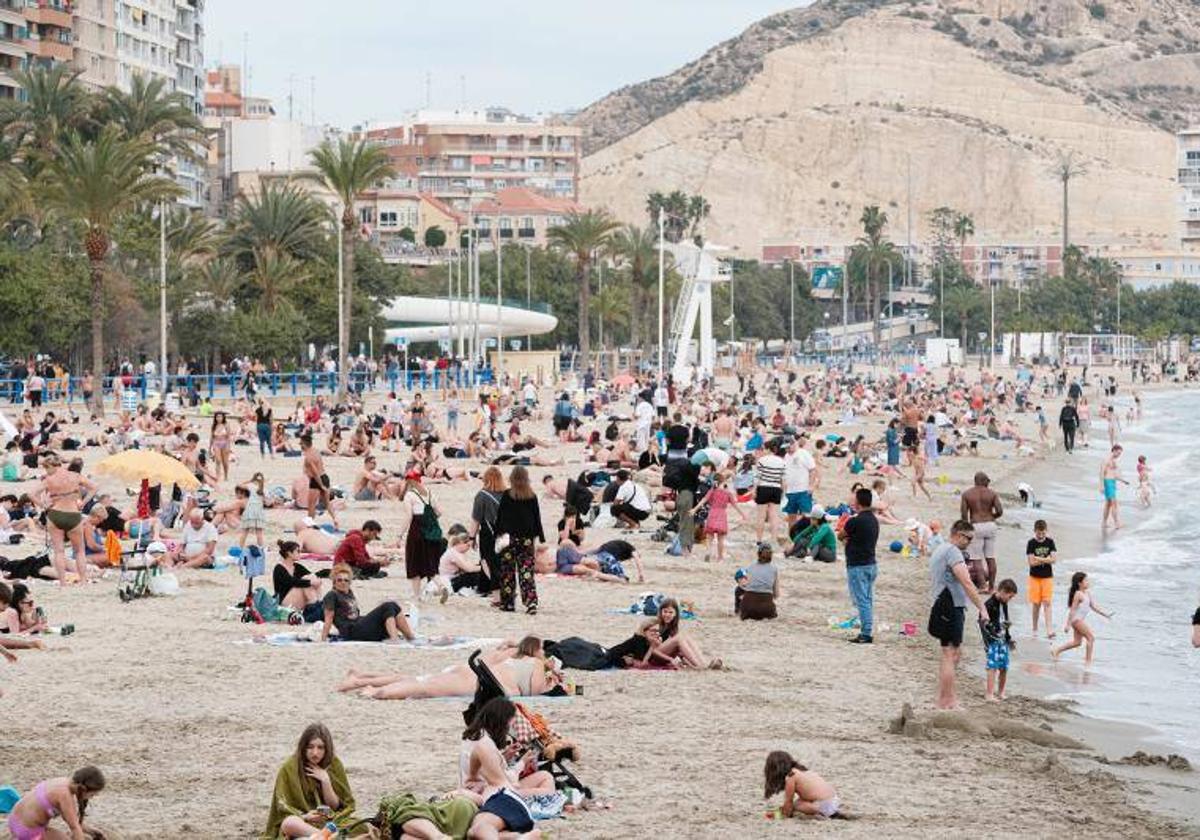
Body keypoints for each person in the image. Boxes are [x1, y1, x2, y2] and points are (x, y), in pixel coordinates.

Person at [344, 636, 562, 700]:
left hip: (471, 671)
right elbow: (535, 690)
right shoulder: (534, 663)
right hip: (478, 678)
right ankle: (374, 690)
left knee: (418, 681)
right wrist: (551, 679)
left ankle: (362, 680)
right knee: (423, 687)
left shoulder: (514, 655)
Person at [927, 520, 989, 710]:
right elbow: (967, 582)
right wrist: (982, 607)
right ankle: (948, 701)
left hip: (943, 604)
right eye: (968, 538)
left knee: (952, 654)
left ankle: (945, 698)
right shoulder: (952, 551)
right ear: (958, 535)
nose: (970, 542)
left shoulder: (941, 549)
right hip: (949, 605)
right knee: (950, 653)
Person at [462, 699, 542, 839]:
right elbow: (503, 778)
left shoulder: (476, 740)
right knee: (475, 831)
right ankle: (518, 837)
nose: (511, 726)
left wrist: (471, 778)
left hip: (503, 800)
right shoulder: (484, 744)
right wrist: (520, 763)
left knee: (478, 829)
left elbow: (484, 767)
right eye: (510, 721)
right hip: (510, 801)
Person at [263, 723, 356, 839]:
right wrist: (305, 816)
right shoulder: (289, 768)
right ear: (303, 747)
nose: (315, 753)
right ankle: (327, 836)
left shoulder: (334, 764)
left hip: (331, 821)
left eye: (320, 747)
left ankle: (324, 836)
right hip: (303, 823)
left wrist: (325, 780)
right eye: (310, 747)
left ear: (327, 748)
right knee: (289, 823)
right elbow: (282, 808)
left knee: (363, 826)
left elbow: (336, 806)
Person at [37, 453, 96, 584]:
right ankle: (83, 580)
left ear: (50, 466)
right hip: (73, 513)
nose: (47, 472)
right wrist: (83, 502)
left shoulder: (49, 479)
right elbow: (93, 487)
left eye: (47, 469)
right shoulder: (75, 476)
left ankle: (63, 582)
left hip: (56, 513)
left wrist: (44, 505)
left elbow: (31, 494)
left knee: (59, 551)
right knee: (79, 551)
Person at [493, 466, 545, 615]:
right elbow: (537, 518)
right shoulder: (532, 496)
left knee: (507, 572)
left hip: (509, 539)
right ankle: (531, 602)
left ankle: (508, 603)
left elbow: (500, 518)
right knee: (526, 572)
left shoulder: (507, 495)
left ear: (512, 479)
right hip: (527, 540)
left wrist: (497, 534)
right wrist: (539, 536)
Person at [320, 564, 414, 643]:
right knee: (388, 606)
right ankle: (394, 640)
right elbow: (329, 618)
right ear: (334, 582)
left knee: (394, 607)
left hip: (359, 624)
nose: (343, 583)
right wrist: (323, 640)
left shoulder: (348, 592)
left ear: (350, 582)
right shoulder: (332, 595)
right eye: (339, 580)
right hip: (351, 631)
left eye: (346, 580)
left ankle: (410, 638)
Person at [6, 766, 106, 840]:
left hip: (14, 821)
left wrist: (92, 831)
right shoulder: (64, 796)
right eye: (92, 795)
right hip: (27, 831)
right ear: (83, 789)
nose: (91, 798)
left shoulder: (62, 781)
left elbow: (73, 820)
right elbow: (74, 827)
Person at [839, 487, 878, 644]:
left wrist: (846, 541)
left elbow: (841, 535)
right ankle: (867, 628)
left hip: (857, 565)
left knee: (861, 599)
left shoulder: (855, 521)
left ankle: (866, 632)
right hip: (871, 563)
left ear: (858, 502)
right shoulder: (873, 520)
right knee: (867, 599)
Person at [638, 598, 721, 669]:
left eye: (670, 612)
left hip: (663, 656)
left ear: (675, 614)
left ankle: (704, 664)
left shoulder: (672, 627)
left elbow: (678, 651)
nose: (667, 615)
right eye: (665, 612)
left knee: (686, 637)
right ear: (660, 612)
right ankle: (701, 667)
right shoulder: (656, 625)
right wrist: (670, 659)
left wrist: (687, 663)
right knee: (679, 638)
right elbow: (651, 651)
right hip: (651, 658)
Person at [399, 474, 446, 600]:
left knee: (414, 562)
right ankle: (441, 586)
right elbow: (439, 512)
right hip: (432, 533)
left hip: (417, 532)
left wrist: (400, 535)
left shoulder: (410, 495)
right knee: (430, 563)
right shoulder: (429, 493)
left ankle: (416, 595)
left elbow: (409, 516)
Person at [763, 751, 845, 819]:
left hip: (825, 804)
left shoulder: (791, 777)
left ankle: (821, 813)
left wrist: (780, 813)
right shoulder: (802, 770)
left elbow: (788, 802)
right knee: (800, 800)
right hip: (834, 800)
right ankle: (829, 811)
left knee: (797, 804)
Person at [1052, 572, 1112, 665]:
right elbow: (1072, 610)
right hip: (1076, 620)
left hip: (1078, 620)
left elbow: (1093, 606)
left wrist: (1105, 614)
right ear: (1080, 583)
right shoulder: (1078, 594)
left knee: (1077, 642)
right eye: (1086, 580)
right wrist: (1067, 624)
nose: (1088, 582)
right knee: (1091, 638)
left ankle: (1057, 650)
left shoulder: (1087, 593)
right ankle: (1088, 661)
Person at [960, 471, 1003, 593]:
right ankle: (991, 587)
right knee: (990, 557)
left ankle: (983, 586)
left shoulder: (967, 494)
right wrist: (991, 517)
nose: (988, 484)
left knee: (976, 558)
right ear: (983, 481)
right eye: (987, 482)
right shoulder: (992, 493)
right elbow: (1000, 511)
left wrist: (967, 529)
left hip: (976, 525)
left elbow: (964, 515)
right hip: (990, 525)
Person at [692, 472, 746, 562]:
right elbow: (735, 505)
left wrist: (694, 509)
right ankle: (720, 557)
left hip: (712, 513)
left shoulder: (712, 491)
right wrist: (743, 514)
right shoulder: (727, 493)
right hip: (721, 515)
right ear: (723, 481)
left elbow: (704, 500)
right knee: (721, 539)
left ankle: (708, 552)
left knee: (709, 537)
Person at [468, 468, 505, 597]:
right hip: (506, 534)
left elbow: (475, 519)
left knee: (487, 562)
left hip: (489, 534)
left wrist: (471, 538)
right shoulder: (507, 494)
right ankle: (486, 587)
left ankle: (498, 593)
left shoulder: (482, 495)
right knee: (502, 562)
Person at [982, 578, 1018, 701]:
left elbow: (1004, 621)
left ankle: (1001, 692)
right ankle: (989, 694)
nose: (1010, 599)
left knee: (1004, 667)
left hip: (1002, 640)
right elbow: (984, 623)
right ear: (1002, 591)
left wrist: (1009, 638)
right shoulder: (989, 604)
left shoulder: (1004, 603)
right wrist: (996, 630)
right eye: (1010, 596)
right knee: (992, 667)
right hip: (992, 641)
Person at [273, 540, 324, 622]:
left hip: (296, 601)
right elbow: (291, 581)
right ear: (289, 553)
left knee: (311, 577)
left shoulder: (297, 566)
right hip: (284, 603)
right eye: (298, 551)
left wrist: (317, 580)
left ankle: (317, 607)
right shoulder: (279, 568)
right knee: (306, 581)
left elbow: (311, 575)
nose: (300, 554)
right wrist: (310, 582)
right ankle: (316, 609)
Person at [1026, 519, 1058, 639]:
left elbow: (1054, 559)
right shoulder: (1031, 543)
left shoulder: (1050, 542)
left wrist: (1039, 559)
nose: (1041, 535)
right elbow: (1031, 563)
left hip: (1047, 577)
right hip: (1034, 577)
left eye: (1043, 533)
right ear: (1035, 531)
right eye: (1038, 533)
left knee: (1047, 602)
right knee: (1036, 604)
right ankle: (1034, 629)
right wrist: (1046, 559)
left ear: (1046, 531)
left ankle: (1049, 630)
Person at [299, 435, 339, 529]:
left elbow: (315, 473)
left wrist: (321, 485)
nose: (300, 445)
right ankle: (335, 519)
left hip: (317, 480)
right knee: (327, 503)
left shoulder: (309, 457)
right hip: (325, 477)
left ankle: (310, 525)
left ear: (304, 444)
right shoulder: (316, 451)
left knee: (311, 505)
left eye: (301, 443)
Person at [753, 442, 786, 544]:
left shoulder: (762, 460)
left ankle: (759, 540)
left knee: (761, 516)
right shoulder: (782, 462)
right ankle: (773, 539)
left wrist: (754, 490)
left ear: (767, 449)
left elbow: (757, 477)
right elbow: (783, 480)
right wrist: (783, 493)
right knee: (774, 516)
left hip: (763, 487)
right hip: (776, 488)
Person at [738, 542, 780, 620]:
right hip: (766, 609)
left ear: (758, 554)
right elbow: (776, 594)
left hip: (748, 608)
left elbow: (745, 585)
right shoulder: (774, 569)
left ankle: (737, 610)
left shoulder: (750, 567)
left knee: (738, 589)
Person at [782, 436, 816, 526]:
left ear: (794, 444)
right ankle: (791, 537)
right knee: (791, 515)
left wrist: (811, 485)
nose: (787, 449)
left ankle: (808, 536)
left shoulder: (803, 453)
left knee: (807, 514)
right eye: (785, 448)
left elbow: (812, 469)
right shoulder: (786, 456)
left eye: (788, 447)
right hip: (790, 491)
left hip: (803, 489)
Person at [237, 472, 267, 556]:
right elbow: (266, 501)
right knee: (259, 533)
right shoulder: (263, 489)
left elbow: (240, 484)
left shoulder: (250, 486)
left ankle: (240, 548)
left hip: (250, 509)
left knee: (245, 531)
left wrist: (250, 480)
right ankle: (261, 549)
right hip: (258, 510)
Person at [1100, 445, 1125, 531]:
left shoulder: (1114, 461)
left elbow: (1114, 473)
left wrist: (1122, 480)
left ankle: (1104, 522)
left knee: (1108, 504)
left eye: (1120, 454)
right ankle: (1117, 523)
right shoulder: (1106, 459)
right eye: (1118, 453)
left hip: (1112, 482)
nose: (1119, 455)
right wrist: (1101, 485)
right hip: (1108, 482)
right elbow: (1102, 472)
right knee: (1114, 503)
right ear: (1114, 450)